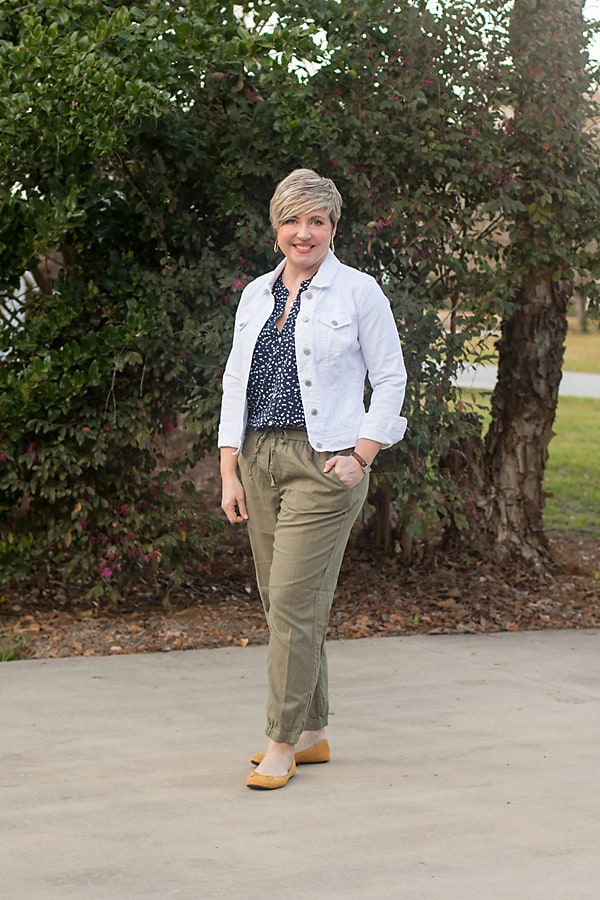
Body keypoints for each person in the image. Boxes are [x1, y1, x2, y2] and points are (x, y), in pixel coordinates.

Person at [218, 169, 407, 790]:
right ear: (277, 228)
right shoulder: (255, 296)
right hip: (259, 458)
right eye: (293, 221)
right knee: (283, 605)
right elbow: (233, 386)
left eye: (317, 222)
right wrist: (229, 469)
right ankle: (316, 732)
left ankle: (280, 742)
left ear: (333, 228)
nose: (305, 233)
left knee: (294, 605)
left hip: (324, 466)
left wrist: (363, 455)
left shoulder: (358, 293)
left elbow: (392, 380)